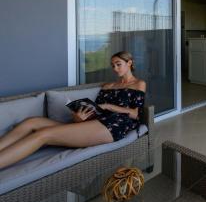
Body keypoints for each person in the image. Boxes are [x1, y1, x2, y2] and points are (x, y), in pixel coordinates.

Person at [0, 51, 146, 170]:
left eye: (118, 64)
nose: (115, 68)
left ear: (129, 63)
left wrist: (109, 106)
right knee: (32, 122)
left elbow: (135, 113)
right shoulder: (108, 86)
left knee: (44, 134)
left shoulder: (138, 84)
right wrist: (78, 118)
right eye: (113, 65)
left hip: (115, 124)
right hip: (94, 123)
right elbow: (96, 111)